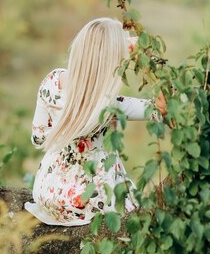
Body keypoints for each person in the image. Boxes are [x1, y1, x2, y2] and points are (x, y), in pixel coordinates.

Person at [24, 17, 165, 226]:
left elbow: (38, 139)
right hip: (90, 199)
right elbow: (162, 108)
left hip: (47, 194)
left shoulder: (53, 81)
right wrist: (145, 60)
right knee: (142, 213)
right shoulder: (111, 104)